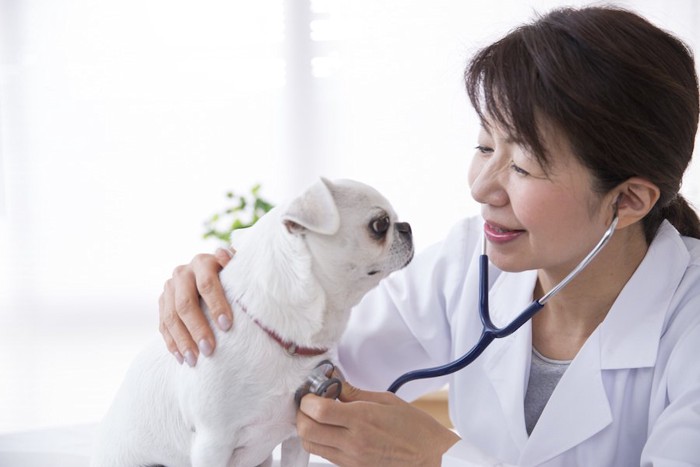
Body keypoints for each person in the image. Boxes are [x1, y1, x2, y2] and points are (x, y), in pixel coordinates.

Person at [158, 6, 700, 466]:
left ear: (628, 201)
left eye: (524, 167)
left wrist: (441, 458)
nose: (481, 187)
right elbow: (300, 356)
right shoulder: (469, 264)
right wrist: (234, 304)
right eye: (486, 147)